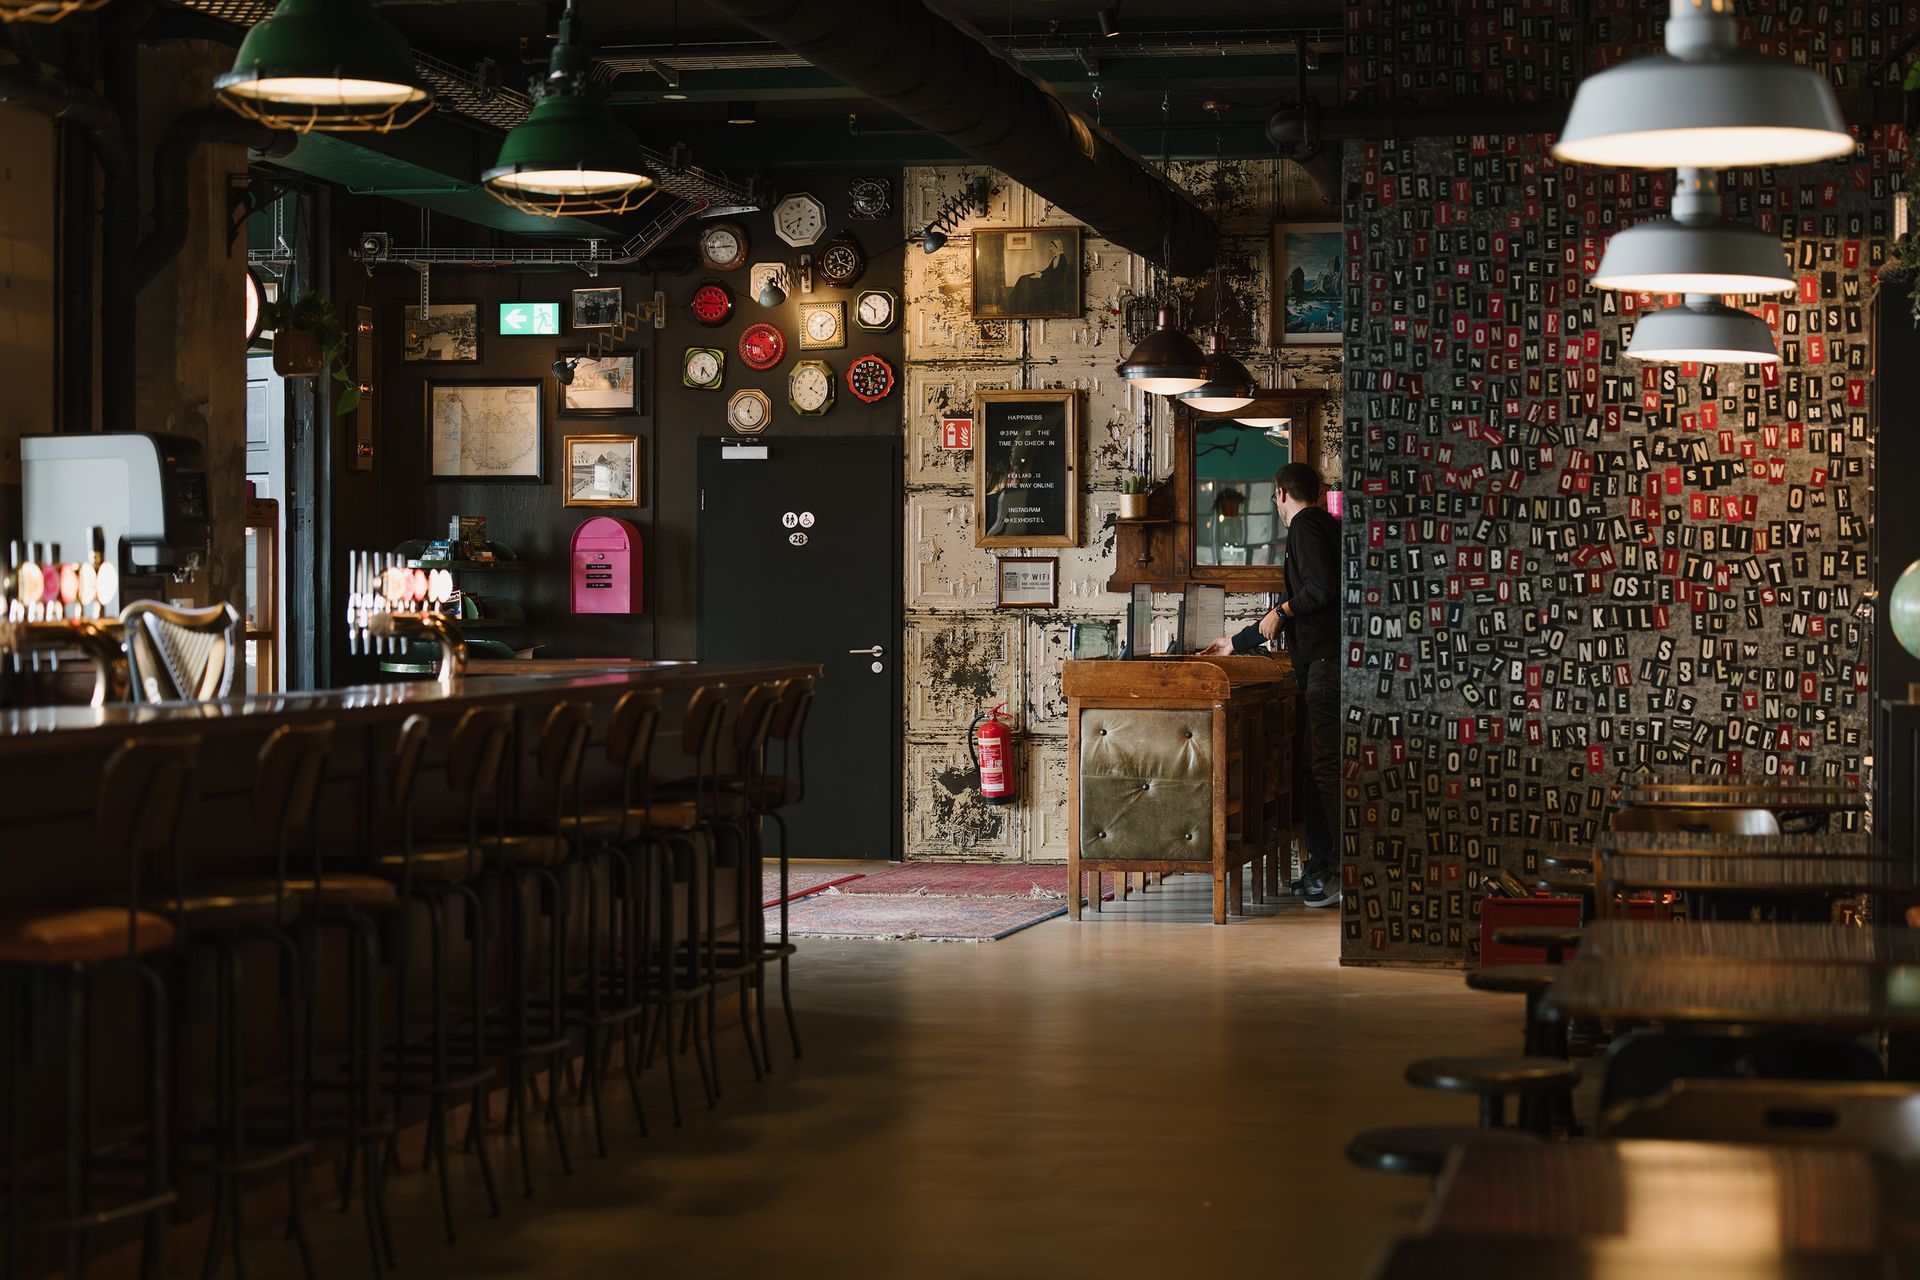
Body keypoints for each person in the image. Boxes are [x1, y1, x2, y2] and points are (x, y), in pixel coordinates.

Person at [1204, 461, 1341, 907]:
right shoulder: (1320, 524)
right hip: (1319, 665)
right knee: (1313, 771)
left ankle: (1339, 873)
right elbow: (1306, 595)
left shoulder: (1305, 526)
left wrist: (1281, 614)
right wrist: (1238, 641)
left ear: (1281, 494)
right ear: (1317, 490)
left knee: (1325, 770)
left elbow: (1321, 589)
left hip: (1326, 664)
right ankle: (1322, 870)